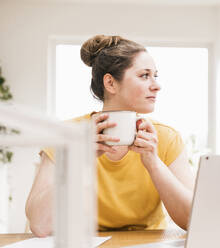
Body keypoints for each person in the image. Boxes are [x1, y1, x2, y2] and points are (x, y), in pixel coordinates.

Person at [25, 35, 195, 237]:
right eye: (144, 75)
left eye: (155, 76)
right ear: (111, 83)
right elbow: (40, 225)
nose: (157, 85)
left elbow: (194, 220)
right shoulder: (67, 136)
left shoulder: (166, 137)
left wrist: (153, 163)